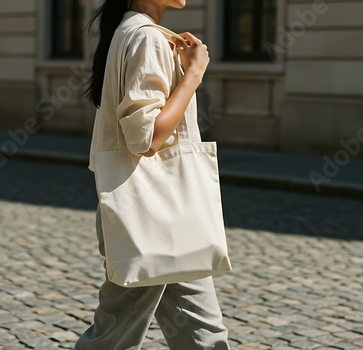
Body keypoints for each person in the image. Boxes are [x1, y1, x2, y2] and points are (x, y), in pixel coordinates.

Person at [74, 0, 230, 349]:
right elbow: (146, 138)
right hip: (150, 213)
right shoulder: (147, 38)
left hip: (159, 212)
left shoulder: (130, 32)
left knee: (202, 333)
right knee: (115, 337)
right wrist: (193, 74)